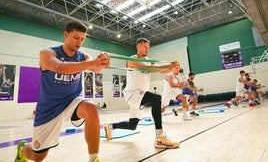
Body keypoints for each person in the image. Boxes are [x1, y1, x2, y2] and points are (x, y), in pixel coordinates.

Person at [15, 20, 110, 162]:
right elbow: (59, 67)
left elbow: (95, 68)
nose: (79, 42)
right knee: (38, 156)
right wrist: (92, 63)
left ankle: (94, 159)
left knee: (91, 108)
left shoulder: (83, 56)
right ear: (66, 34)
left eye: (83, 39)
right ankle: (23, 148)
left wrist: (102, 62)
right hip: (49, 108)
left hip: (72, 101)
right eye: (76, 37)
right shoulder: (47, 54)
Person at [104, 37, 180, 148]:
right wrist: (169, 65)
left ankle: (109, 126)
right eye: (145, 47)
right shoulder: (132, 60)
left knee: (132, 125)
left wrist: (172, 68)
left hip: (140, 95)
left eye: (148, 47)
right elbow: (148, 69)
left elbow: (162, 71)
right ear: (138, 46)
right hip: (132, 94)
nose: (147, 49)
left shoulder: (147, 60)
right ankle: (159, 137)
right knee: (156, 98)